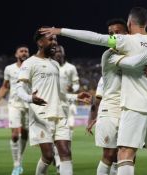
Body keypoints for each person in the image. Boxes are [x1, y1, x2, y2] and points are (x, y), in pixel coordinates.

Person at [39, 6, 147, 175]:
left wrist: (61, 31)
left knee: (125, 155)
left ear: (129, 23)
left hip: (135, 107)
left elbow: (94, 38)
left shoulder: (125, 42)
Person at [86, 18, 147, 175]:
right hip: (111, 110)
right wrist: (94, 117)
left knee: (128, 154)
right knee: (109, 155)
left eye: (117, 32)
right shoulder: (109, 55)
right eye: (110, 34)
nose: (114, 36)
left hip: (129, 108)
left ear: (127, 34)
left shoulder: (134, 51)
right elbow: (99, 96)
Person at [16, 27, 91, 175]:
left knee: (65, 152)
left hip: (60, 113)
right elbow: (20, 89)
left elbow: (58, 94)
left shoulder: (55, 64)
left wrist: (76, 97)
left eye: (55, 39)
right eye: (51, 39)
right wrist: (30, 98)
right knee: (48, 156)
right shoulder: (29, 63)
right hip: (41, 115)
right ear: (40, 42)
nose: (54, 42)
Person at [0, 45, 30, 175]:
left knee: (25, 133)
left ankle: (19, 159)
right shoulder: (9, 69)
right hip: (14, 104)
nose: (24, 53)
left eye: (26, 51)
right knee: (15, 134)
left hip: (29, 105)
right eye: (21, 51)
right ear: (16, 54)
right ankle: (16, 164)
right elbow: (5, 87)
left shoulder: (32, 67)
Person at [52, 45, 80, 173]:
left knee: (68, 134)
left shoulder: (71, 68)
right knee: (54, 135)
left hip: (68, 103)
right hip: (53, 104)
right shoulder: (50, 67)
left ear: (63, 53)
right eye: (56, 51)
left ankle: (61, 160)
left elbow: (76, 84)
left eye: (60, 51)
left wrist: (73, 89)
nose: (58, 53)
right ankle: (58, 161)